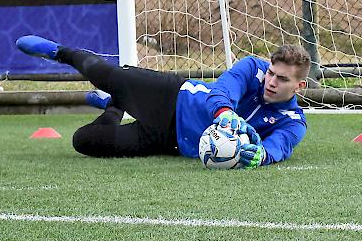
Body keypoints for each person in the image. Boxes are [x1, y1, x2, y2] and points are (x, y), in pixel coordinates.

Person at [16, 35, 310, 169]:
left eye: (282, 79)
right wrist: (224, 112)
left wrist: (262, 155)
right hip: (172, 97)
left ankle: (114, 106)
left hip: (170, 143)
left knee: (86, 141)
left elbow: (279, 146)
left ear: (300, 86)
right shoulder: (252, 68)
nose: (271, 81)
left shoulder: (294, 122)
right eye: (272, 73)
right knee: (106, 75)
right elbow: (224, 90)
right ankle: (60, 51)